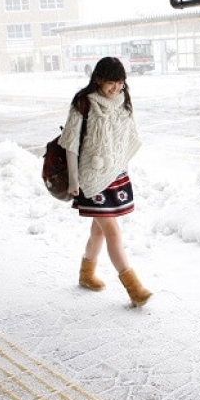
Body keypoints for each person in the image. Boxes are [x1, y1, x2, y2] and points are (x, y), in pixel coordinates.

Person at [59, 57, 152, 307]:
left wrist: (118, 163)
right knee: (112, 231)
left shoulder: (123, 102)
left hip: (116, 174)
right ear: (98, 79)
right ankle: (134, 288)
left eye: (120, 83)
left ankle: (86, 274)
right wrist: (74, 180)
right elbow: (70, 144)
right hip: (90, 176)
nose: (116, 88)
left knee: (98, 231)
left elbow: (129, 138)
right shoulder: (84, 103)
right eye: (111, 82)